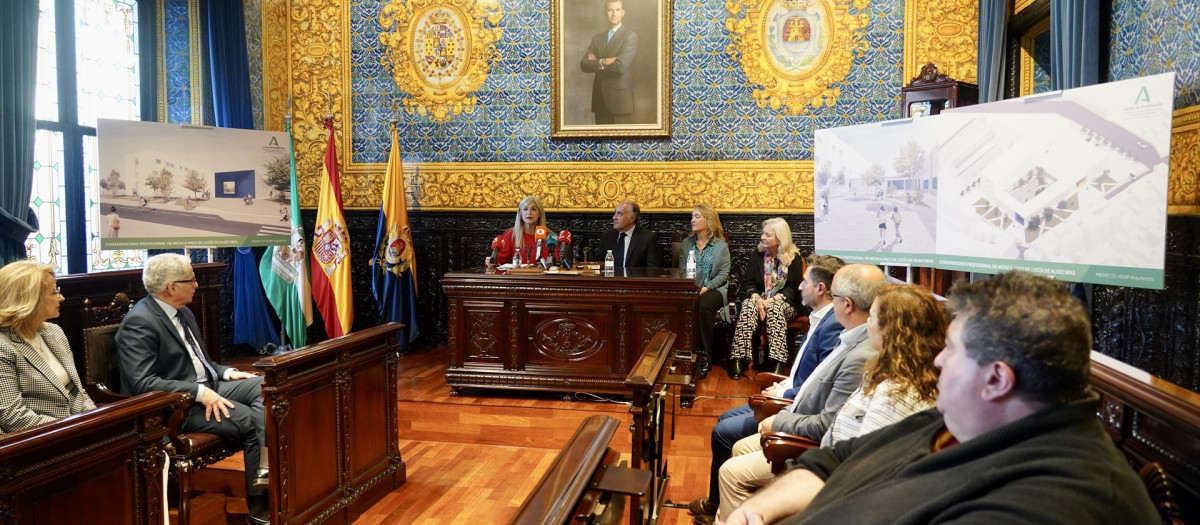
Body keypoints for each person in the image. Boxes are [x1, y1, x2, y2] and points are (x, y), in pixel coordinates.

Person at [722, 272, 1160, 525]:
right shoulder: (964, 422)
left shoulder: (1057, 500)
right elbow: (831, 462)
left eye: (952, 349)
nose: (937, 361)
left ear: (996, 379)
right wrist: (756, 511)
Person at [713, 284, 946, 520]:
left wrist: (794, 448)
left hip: (829, 479)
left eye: (873, 318)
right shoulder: (881, 370)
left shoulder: (896, 393)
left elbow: (859, 472)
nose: (867, 324)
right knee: (739, 448)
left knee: (731, 471)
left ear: (892, 331)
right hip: (824, 458)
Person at [691, 264, 886, 523]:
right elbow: (813, 385)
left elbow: (828, 424)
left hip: (810, 446)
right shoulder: (847, 335)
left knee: (728, 458)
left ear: (847, 304)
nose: (802, 287)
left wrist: (780, 417)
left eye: (834, 296)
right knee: (735, 444)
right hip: (793, 411)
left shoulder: (856, 351)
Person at [115, 253, 270, 525]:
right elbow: (142, 382)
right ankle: (260, 507)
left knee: (265, 387)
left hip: (211, 386)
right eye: (191, 280)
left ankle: (269, 477)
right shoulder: (140, 322)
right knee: (251, 419)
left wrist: (228, 372)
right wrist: (198, 393)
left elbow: (202, 362)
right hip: (178, 406)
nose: (197, 285)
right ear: (171, 287)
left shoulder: (184, 311)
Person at [0, 261, 97, 433]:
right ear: (31, 299)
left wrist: (96, 421)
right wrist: (73, 429)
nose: (61, 298)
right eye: (54, 293)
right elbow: (12, 417)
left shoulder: (54, 332)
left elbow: (77, 392)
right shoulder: (3, 346)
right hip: (36, 443)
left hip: (76, 430)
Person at [727, 218, 805, 379]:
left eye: (767, 235)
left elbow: (794, 288)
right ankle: (738, 358)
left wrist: (771, 301)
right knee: (748, 306)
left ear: (780, 239)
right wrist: (758, 299)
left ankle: (777, 362)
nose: (762, 237)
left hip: (785, 303)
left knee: (775, 310)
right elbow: (748, 282)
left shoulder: (794, 258)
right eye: (763, 233)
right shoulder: (757, 255)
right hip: (759, 300)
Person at [678, 204, 730, 380]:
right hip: (689, 289)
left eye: (697, 216)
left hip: (714, 290)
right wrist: (691, 289)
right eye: (692, 216)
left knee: (703, 305)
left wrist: (705, 288)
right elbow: (682, 270)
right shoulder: (686, 244)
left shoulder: (720, 246)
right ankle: (681, 354)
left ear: (709, 220)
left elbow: (723, 274)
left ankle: (704, 356)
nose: (692, 220)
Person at [579, 0, 638, 124]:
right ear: (606, 13)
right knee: (600, 142)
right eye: (610, 10)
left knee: (620, 143)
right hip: (599, 100)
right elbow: (584, 64)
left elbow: (620, 67)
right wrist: (604, 61)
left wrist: (596, 64)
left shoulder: (630, 36)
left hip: (619, 102)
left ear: (623, 13)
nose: (614, 13)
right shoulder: (597, 38)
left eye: (617, 10)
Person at [599, 200, 660, 271]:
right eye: (615, 212)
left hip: (635, 281)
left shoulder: (648, 237)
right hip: (610, 280)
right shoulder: (607, 235)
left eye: (619, 214)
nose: (614, 217)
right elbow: (598, 264)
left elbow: (653, 269)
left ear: (632, 219)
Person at [496, 196, 547, 265]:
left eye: (534, 209)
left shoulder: (549, 236)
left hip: (542, 275)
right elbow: (499, 262)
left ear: (539, 214)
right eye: (525, 209)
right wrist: (491, 262)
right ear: (520, 213)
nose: (529, 212)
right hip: (517, 275)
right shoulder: (510, 234)